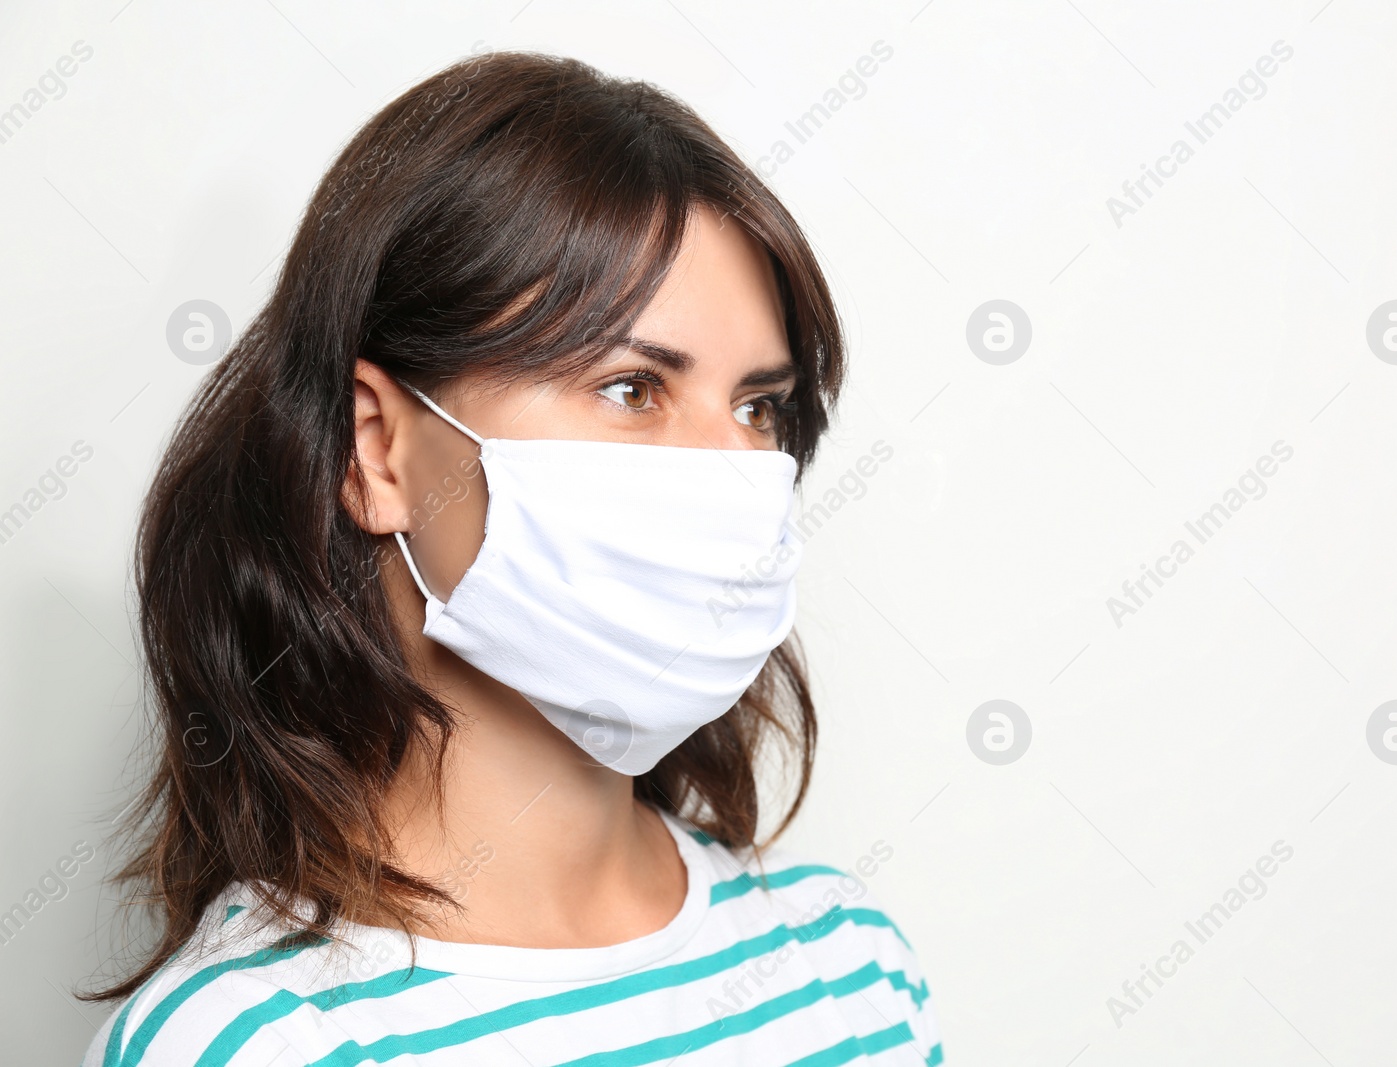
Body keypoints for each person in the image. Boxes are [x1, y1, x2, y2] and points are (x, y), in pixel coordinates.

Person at [79, 50, 942, 1066]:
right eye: (632, 387)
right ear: (379, 447)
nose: (733, 473)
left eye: (760, 408)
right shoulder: (252, 1041)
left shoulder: (850, 964)